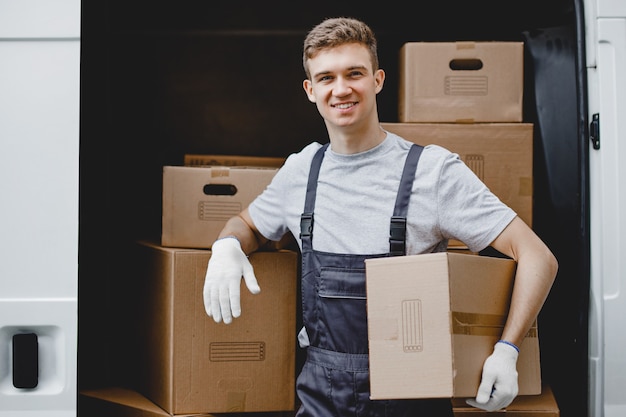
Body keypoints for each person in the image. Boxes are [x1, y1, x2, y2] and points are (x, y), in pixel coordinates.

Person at [203, 16, 558, 417]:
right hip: (322, 397)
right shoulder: (301, 170)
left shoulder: (433, 172)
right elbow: (247, 224)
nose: (341, 89)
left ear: (378, 80)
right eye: (326, 78)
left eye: (354, 73)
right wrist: (228, 245)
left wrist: (508, 351)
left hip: (411, 395)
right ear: (310, 90)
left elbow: (537, 257)